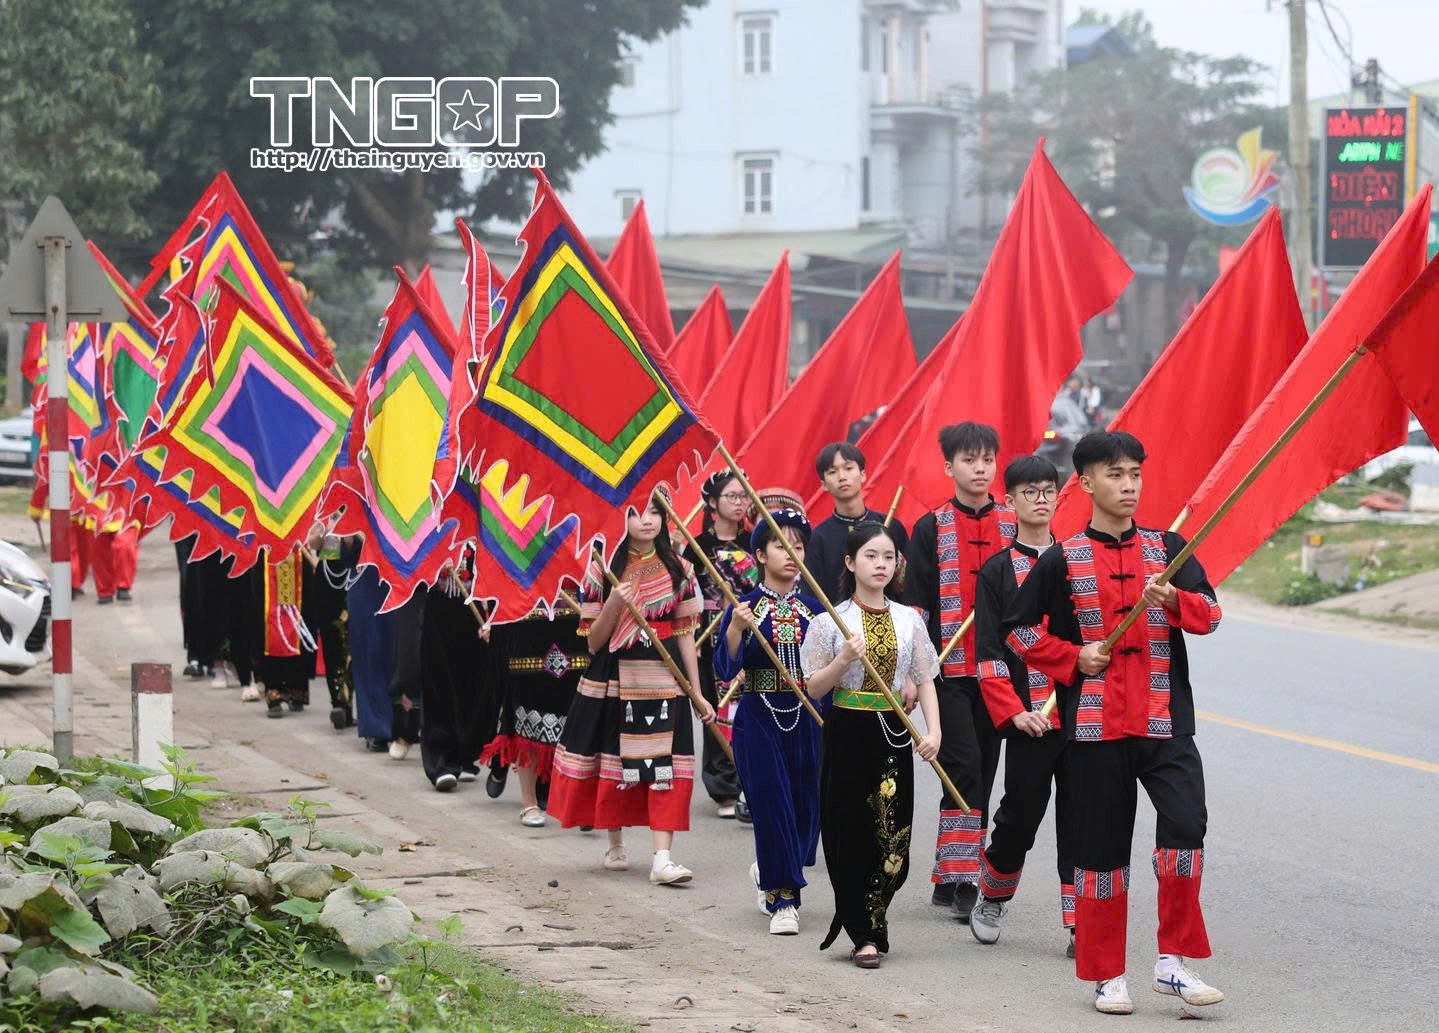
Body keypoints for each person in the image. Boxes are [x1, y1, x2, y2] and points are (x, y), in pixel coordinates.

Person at [1004, 431, 1223, 1015]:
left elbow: (1212, 614)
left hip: (1165, 722)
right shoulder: (1061, 557)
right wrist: (1076, 658)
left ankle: (1173, 962)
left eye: (1135, 474)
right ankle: (1106, 974)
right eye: (1115, 474)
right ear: (1087, 482)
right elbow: (1021, 632)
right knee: (1100, 851)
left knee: (1186, 828)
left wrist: (1173, 599)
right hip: (1095, 730)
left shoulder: (1168, 549)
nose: (1128, 485)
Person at [548, 493, 716, 886]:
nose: (647, 521)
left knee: (667, 766)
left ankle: (662, 858)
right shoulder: (602, 567)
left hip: (664, 674)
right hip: (616, 675)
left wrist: (696, 690)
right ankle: (615, 842)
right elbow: (593, 641)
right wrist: (615, 604)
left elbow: (685, 633)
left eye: (656, 512)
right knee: (615, 760)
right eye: (637, 512)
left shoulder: (681, 568)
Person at [802, 522, 941, 969]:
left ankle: (874, 913)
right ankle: (866, 932)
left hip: (893, 732)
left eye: (888, 556)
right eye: (870, 556)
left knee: (891, 838)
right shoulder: (829, 621)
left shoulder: (909, 620)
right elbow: (814, 689)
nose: (881, 564)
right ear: (849, 562)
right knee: (849, 832)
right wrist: (843, 657)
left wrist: (933, 731)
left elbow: (925, 678)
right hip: (846, 731)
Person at [903, 422, 1015, 920]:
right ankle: (967, 874)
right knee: (963, 765)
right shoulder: (929, 528)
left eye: (987, 460)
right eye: (969, 460)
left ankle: (950, 875)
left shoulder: (1013, 525)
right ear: (949, 466)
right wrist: (912, 669)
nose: (980, 469)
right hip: (945, 671)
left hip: (999, 674)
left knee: (983, 772)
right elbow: (917, 607)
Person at [970, 455, 1075, 956]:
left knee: (1084, 816)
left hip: (1081, 716)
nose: (1039, 499)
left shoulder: (1078, 560)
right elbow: (989, 650)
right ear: (1008, 501)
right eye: (1028, 491)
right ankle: (992, 894)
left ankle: (1084, 921)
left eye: (1047, 490)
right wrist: (1014, 712)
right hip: (1029, 718)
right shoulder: (995, 572)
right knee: (1020, 815)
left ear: (1059, 497)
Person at [713, 508, 823, 937]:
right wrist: (737, 631)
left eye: (798, 546)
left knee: (803, 809)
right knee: (772, 802)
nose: (791, 553)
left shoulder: (816, 609)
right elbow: (725, 666)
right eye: (781, 544)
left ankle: (773, 868)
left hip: (808, 715)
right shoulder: (745, 609)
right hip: (759, 713)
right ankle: (783, 899)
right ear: (760, 553)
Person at [682, 471, 757, 819]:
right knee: (716, 705)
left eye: (744, 497)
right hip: (709, 633)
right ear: (712, 502)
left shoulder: (755, 542)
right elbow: (685, 594)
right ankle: (723, 786)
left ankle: (749, 779)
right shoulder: (696, 546)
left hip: (749, 629)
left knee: (749, 705)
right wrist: (692, 632)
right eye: (732, 496)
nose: (740, 503)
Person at [481, 601, 588, 826]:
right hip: (526, 620)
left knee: (575, 714)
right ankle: (528, 802)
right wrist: (495, 620)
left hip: (574, 623)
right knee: (527, 713)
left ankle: (576, 799)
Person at [807, 442, 909, 601]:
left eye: (848, 469)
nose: (842, 477)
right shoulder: (817, 539)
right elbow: (812, 596)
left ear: (862, 474)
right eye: (833, 472)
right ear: (824, 484)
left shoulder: (891, 526)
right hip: (838, 623)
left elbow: (909, 583)